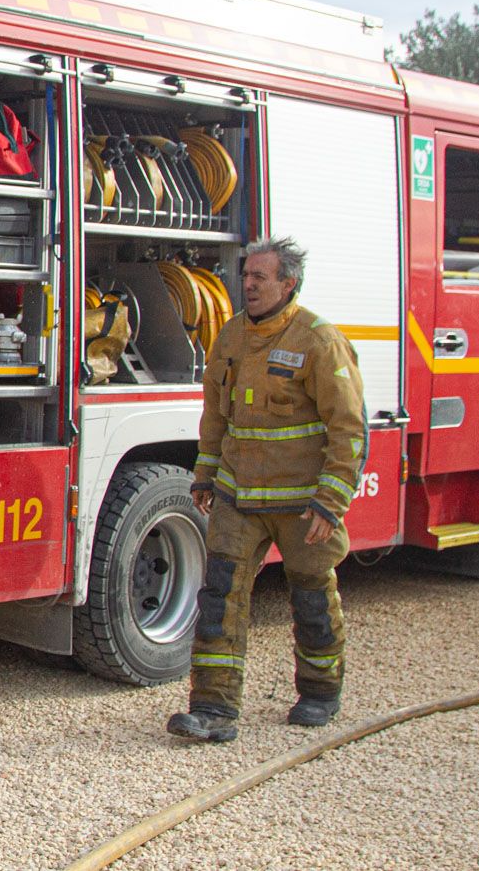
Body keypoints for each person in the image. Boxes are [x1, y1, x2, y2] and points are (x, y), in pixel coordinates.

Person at [169, 236, 366, 743]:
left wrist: (331, 501)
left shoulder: (319, 341)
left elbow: (347, 429)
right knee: (220, 598)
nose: (248, 284)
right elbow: (216, 415)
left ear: (288, 283)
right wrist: (205, 474)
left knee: (312, 596)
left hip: (302, 505)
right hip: (239, 498)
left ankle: (320, 692)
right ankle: (213, 709)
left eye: (260, 277)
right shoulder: (231, 337)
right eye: (247, 274)